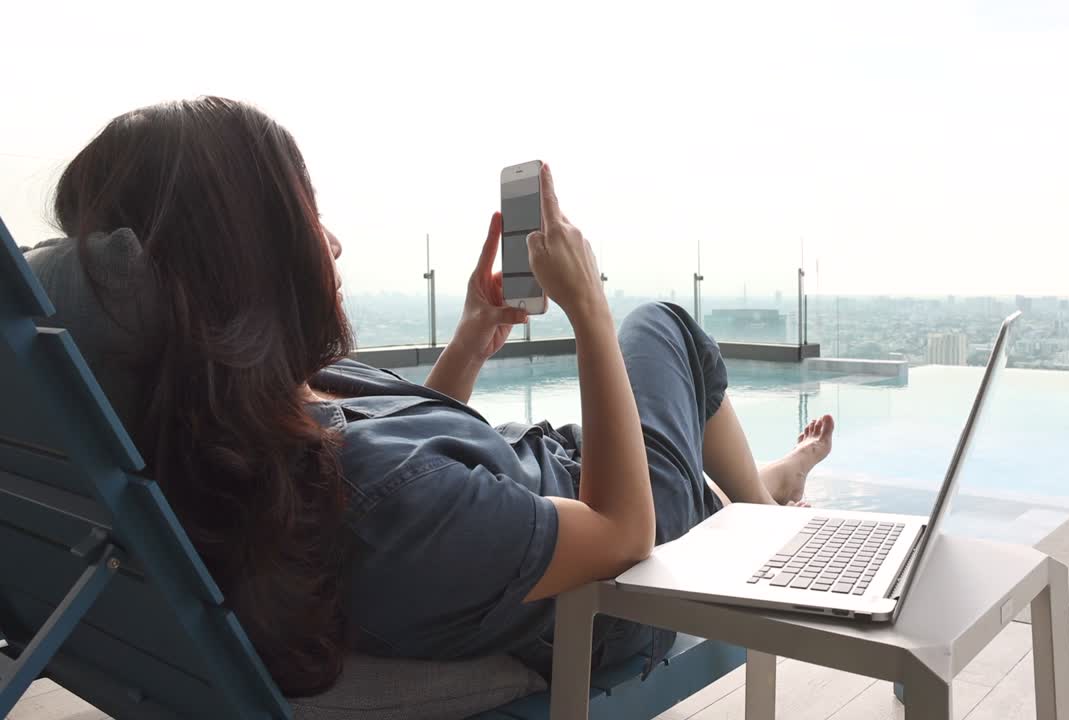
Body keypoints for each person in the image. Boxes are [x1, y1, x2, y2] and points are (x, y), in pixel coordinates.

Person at [27, 96, 835, 697]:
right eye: (306, 218)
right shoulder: (383, 506)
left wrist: (472, 338)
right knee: (663, 325)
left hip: (550, 488)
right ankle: (758, 505)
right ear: (248, 262)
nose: (332, 243)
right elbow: (623, 533)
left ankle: (762, 484)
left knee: (653, 386)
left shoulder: (238, 415)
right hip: (626, 546)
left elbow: (416, 448)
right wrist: (589, 306)